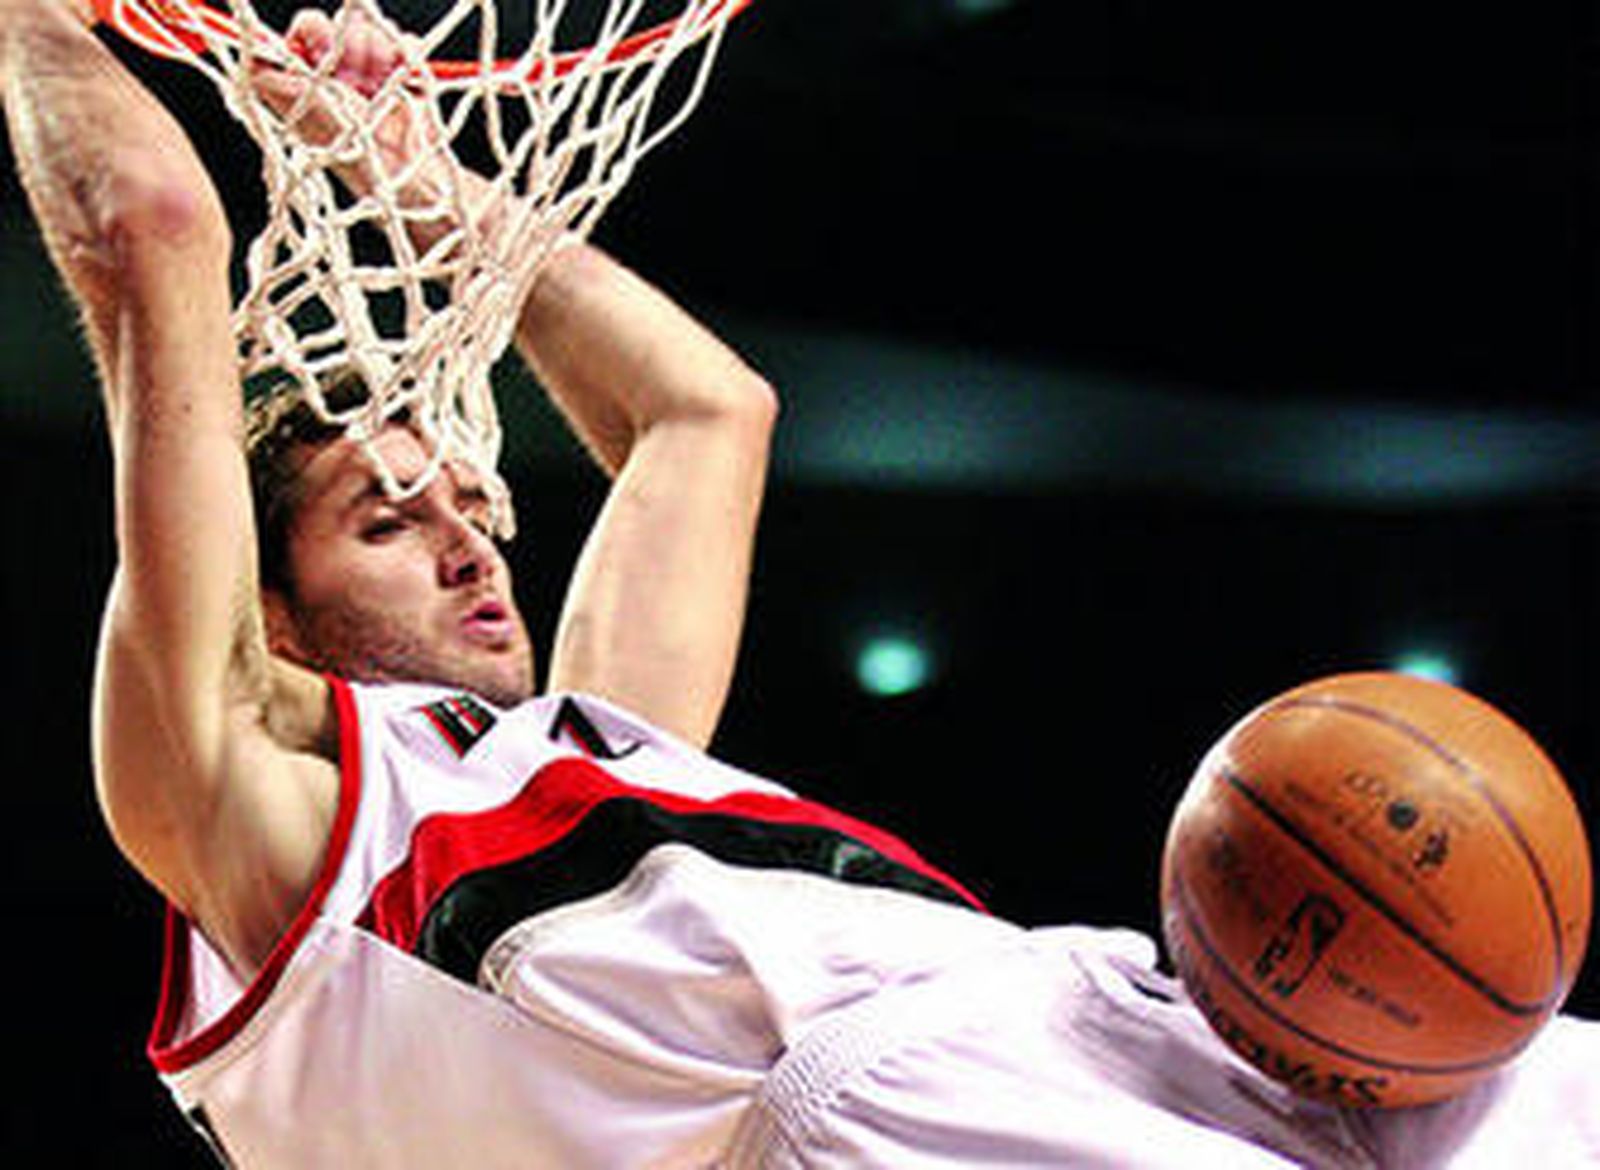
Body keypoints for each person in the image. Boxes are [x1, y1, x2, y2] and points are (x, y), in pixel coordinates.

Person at [4, 2, 1598, 1166]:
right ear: (268, 615)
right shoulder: (254, 824)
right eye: (385, 520)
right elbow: (152, 226)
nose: (469, 538)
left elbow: (709, 413)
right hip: (892, 1118)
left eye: (470, 499)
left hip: (1106, 1009)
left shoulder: (584, 747)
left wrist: (421, 177)